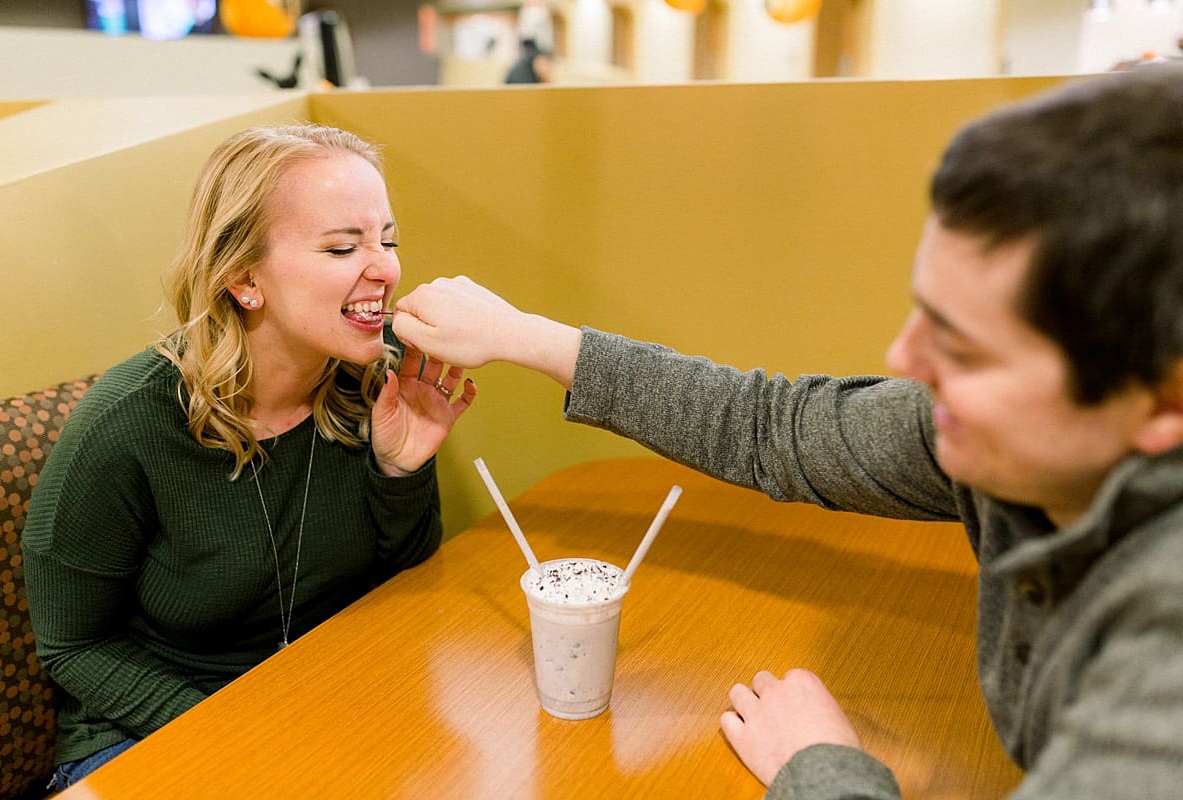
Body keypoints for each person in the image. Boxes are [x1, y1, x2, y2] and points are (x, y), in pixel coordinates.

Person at [390, 64, 1183, 799]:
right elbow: (776, 427)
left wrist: (824, 770)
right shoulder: (1000, 443)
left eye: (965, 347)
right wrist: (524, 336)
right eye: (922, 313)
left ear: (1162, 400)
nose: (902, 359)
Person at [23, 123, 476, 789]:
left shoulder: (374, 387)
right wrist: (241, 731)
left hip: (313, 715)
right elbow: (73, 644)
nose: (383, 268)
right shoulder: (129, 422)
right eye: (343, 246)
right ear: (243, 280)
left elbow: (404, 580)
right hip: (148, 731)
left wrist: (401, 471)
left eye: (387, 239)